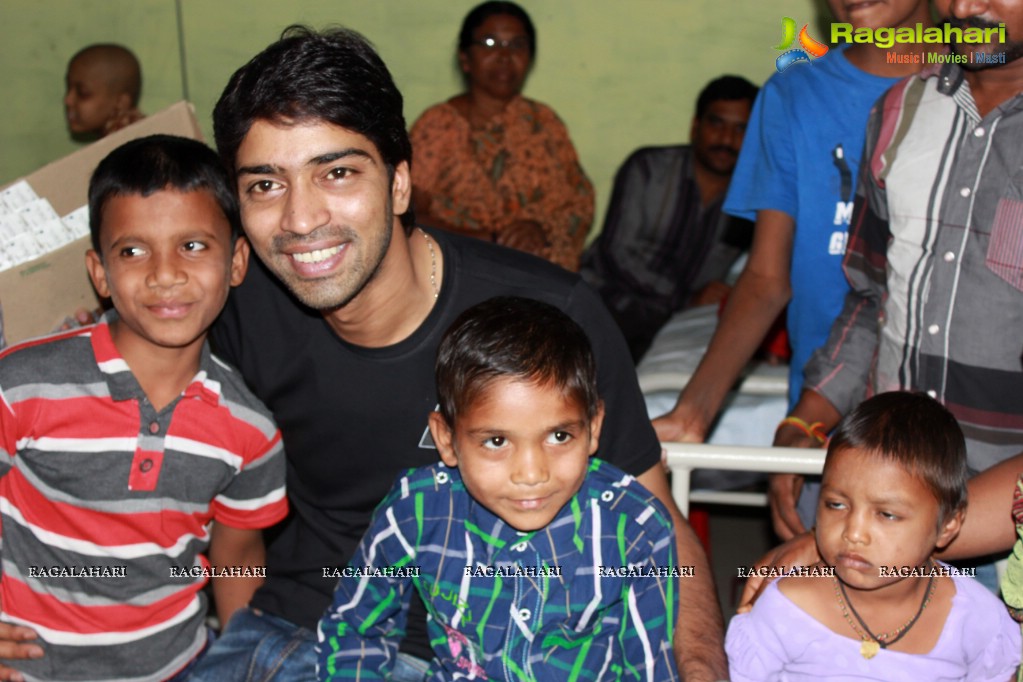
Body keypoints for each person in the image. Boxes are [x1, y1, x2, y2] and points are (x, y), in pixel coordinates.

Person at [177, 25, 724, 682]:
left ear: (401, 184)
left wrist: (699, 667)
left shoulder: (549, 318)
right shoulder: (231, 306)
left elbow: (654, 523)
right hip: (294, 629)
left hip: (486, 649)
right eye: (266, 185)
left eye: (338, 173)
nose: (299, 220)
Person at [0, 135, 288, 681]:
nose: (164, 274)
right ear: (99, 271)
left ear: (237, 261)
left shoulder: (250, 432)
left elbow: (238, 558)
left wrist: (240, 660)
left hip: (174, 666)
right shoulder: (20, 387)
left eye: (194, 246)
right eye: (133, 251)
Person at [651, 0, 941, 534]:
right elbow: (764, 278)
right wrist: (694, 412)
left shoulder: (979, 87)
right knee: (821, 603)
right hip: (822, 418)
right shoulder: (794, 94)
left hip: (956, 418)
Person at [765, 0, 1023, 545]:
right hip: (881, 493)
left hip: (1004, 529)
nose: (964, 7)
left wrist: (908, 542)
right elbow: (871, 297)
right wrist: (805, 422)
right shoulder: (899, 111)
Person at [317, 296, 680, 680]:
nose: (531, 473)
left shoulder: (636, 529)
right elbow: (354, 629)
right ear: (446, 438)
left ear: (593, 427)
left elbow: (648, 668)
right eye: (496, 442)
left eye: (559, 436)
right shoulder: (415, 512)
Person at [726, 392, 1021, 680]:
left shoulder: (977, 621)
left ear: (948, 526)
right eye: (836, 505)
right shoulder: (786, 608)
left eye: (887, 514)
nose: (853, 533)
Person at [580, 75, 758, 362]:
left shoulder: (751, 202)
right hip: (608, 304)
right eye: (716, 124)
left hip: (674, 324)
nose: (727, 140)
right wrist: (685, 298)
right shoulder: (649, 169)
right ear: (695, 126)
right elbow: (617, 254)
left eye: (741, 129)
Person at [410, 1, 595, 271]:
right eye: (489, 42)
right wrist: (490, 241)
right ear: (465, 58)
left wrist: (539, 230)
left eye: (517, 44)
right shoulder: (438, 125)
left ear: (530, 58)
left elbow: (579, 203)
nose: (504, 55)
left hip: (542, 269)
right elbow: (408, 213)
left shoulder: (543, 122)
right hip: (463, 268)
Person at [64, 44, 144, 140]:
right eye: (68, 87)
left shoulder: (127, 142)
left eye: (82, 93)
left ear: (120, 102)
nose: (68, 100)